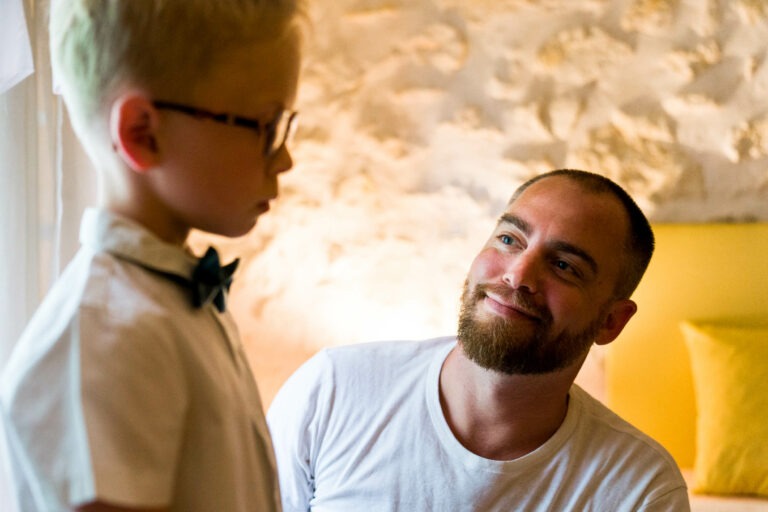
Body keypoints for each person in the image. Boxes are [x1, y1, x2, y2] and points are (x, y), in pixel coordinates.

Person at [0, 0, 305, 510]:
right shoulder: (104, 339)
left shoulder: (171, 297)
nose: (286, 158)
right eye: (267, 127)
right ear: (143, 133)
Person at [267, 169, 690, 511]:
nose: (519, 275)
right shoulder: (334, 389)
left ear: (611, 322)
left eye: (563, 265)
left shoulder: (639, 490)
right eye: (509, 240)